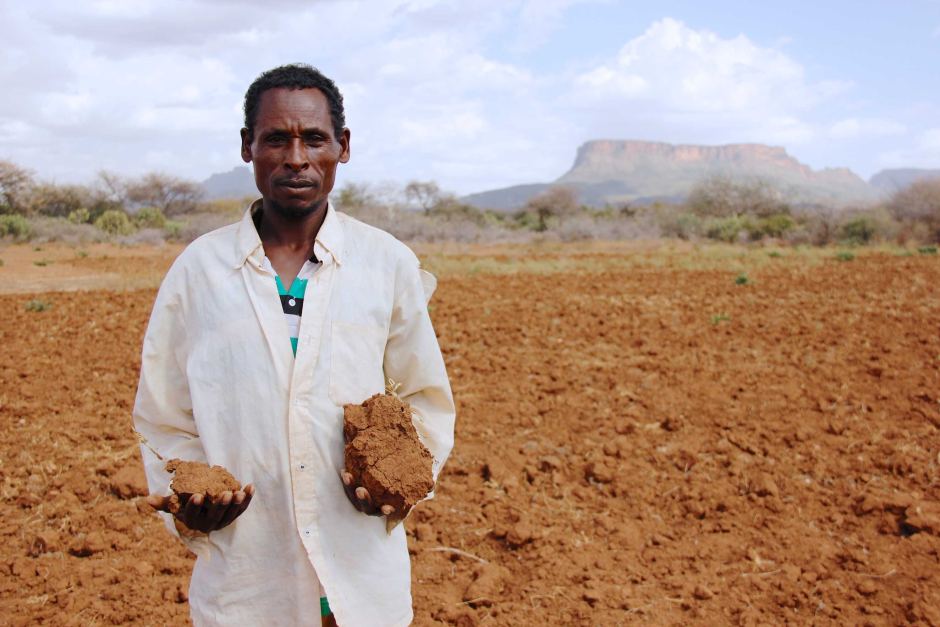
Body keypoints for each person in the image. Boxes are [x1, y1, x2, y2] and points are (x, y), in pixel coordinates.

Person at [134, 63, 455, 627]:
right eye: (276, 139)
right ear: (247, 147)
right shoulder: (199, 272)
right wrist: (189, 503)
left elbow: (426, 397)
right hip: (248, 581)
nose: (296, 157)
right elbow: (163, 416)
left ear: (343, 147)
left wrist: (398, 484)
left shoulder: (386, 264)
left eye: (314, 138)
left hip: (360, 574)